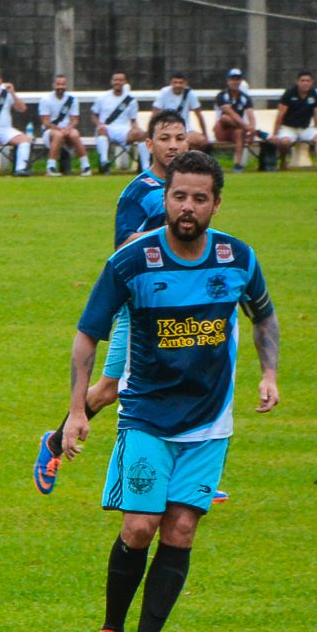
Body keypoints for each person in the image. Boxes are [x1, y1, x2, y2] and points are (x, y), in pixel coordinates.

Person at [58, 150, 279, 632]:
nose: (187, 207)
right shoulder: (133, 261)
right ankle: (111, 631)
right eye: (179, 195)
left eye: (199, 198)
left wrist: (268, 372)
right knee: (139, 527)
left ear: (216, 204)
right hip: (147, 416)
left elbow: (264, 315)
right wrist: (73, 412)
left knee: (180, 531)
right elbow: (87, 333)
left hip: (209, 423)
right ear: (165, 197)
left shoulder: (237, 258)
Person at [32, 112, 191, 495]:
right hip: (139, 309)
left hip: (179, 305)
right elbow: (123, 248)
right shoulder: (139, 192)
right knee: (108, 390)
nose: (173, 145)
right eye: (165, 138)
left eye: (180, 137)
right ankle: (54, 443)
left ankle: (188, 473)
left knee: (183, 380)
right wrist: (168, 230)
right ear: (148, 144)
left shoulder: (190, 188)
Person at [272, 71, 317, 171]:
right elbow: (280, 114)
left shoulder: (313, 94)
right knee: (285, 142)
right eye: (302, 81)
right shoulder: (290, 93)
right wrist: (275, 134)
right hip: (289, 127)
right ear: (298, 82)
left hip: (305, 128)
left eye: (308, 81)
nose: (305, 83)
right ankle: (283, 162)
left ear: (312, 82)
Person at [90, 71, 144, 173]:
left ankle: (145, 168)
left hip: (124, 130)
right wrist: (99, 124)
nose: (117, 82)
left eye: (120, 80)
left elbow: (133, 120)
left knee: (141, 135)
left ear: (125, 82)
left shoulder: (131, 101)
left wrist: (136, 129)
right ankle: (104, 163)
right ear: (111, 82)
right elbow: (94, 116)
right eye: (115, 80)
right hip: (106, 128)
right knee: (101, 130)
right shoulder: (102, 98)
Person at [37, 75, 89, 176]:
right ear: (53, 85)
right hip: (50, 131)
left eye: (63, 84)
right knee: (58, 135)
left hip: (67, 129)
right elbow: (45, 122)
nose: (60, 87)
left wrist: (68, 128)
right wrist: (59, 129)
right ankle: (51, 167)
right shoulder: (46, 99)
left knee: (75, 134)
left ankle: (86, 166)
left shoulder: (72, 99)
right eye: (58, 84)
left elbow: (74, 120)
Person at [210, 69, 259, 173]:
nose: (235, 82)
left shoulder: (245, 98)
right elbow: (229, 112)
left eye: (237, 79)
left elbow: (251, 115)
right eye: (233, 79)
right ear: (228, 81)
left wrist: (252, 130)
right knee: (225, 118)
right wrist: (247, 127)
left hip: (237, 130)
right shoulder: (222, 96)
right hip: (223, 130)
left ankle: (238, 164)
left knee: (239, 132)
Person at [151, 72, 210, 151]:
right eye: (175, 82)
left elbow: (199, 115)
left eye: (180, 83)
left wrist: (205, 134)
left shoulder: (190, 94)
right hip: (166, 128)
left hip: (185, 128)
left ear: (185, 83)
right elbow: (154, 114)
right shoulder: (163, 93)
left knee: (202, 141)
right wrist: (151, 132)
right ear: (171, 83)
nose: (178, 85)